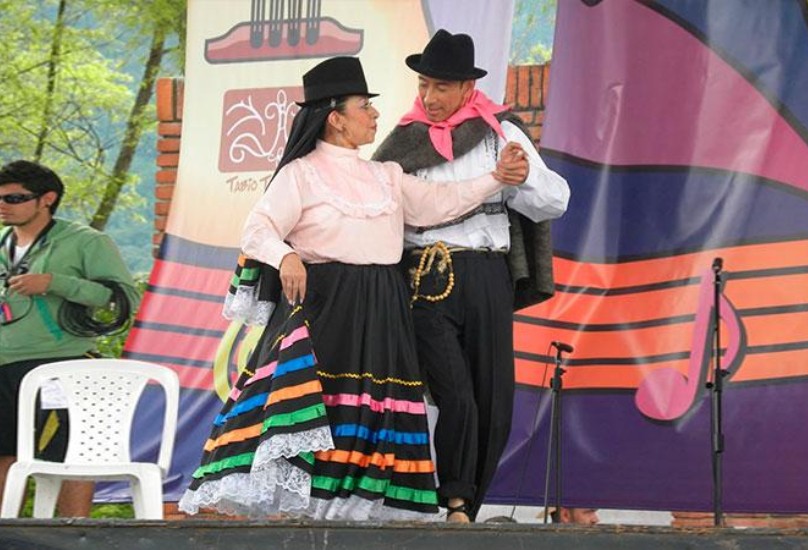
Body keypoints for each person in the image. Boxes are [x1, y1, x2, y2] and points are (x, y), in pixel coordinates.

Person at [178, 56, 528, 521]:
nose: (375, 115)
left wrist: (494, 179)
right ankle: (300, 515)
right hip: (327, 306)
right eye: (365, 106)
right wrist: (285, 256)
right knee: (319, 407)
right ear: (336, 118)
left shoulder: (383, 174)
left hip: (383, 303)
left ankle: (349, 512)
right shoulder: (300, 173)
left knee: (374, 407)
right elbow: (257, 228)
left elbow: (435, 204)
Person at [373, 29, 571, 523]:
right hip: (424, 275)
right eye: (423, 85)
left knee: (492, 400)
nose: (429, 98)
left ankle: (467, 511)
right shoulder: (402, 140)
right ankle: (454, 500)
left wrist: (522, 178)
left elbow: (557, 201)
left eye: (441, 87)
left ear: (466, 87)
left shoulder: (502, 133)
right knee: (454, 394)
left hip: (486, 274)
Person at [0, 160, 139, 517]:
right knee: (3, 451)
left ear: (47, 199)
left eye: (14, 197)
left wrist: (55, 284)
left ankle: (75, 534)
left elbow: (123, 299)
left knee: (72, 453)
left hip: (62, 365)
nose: (4, 204)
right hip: (4, 363)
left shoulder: (85, 242)